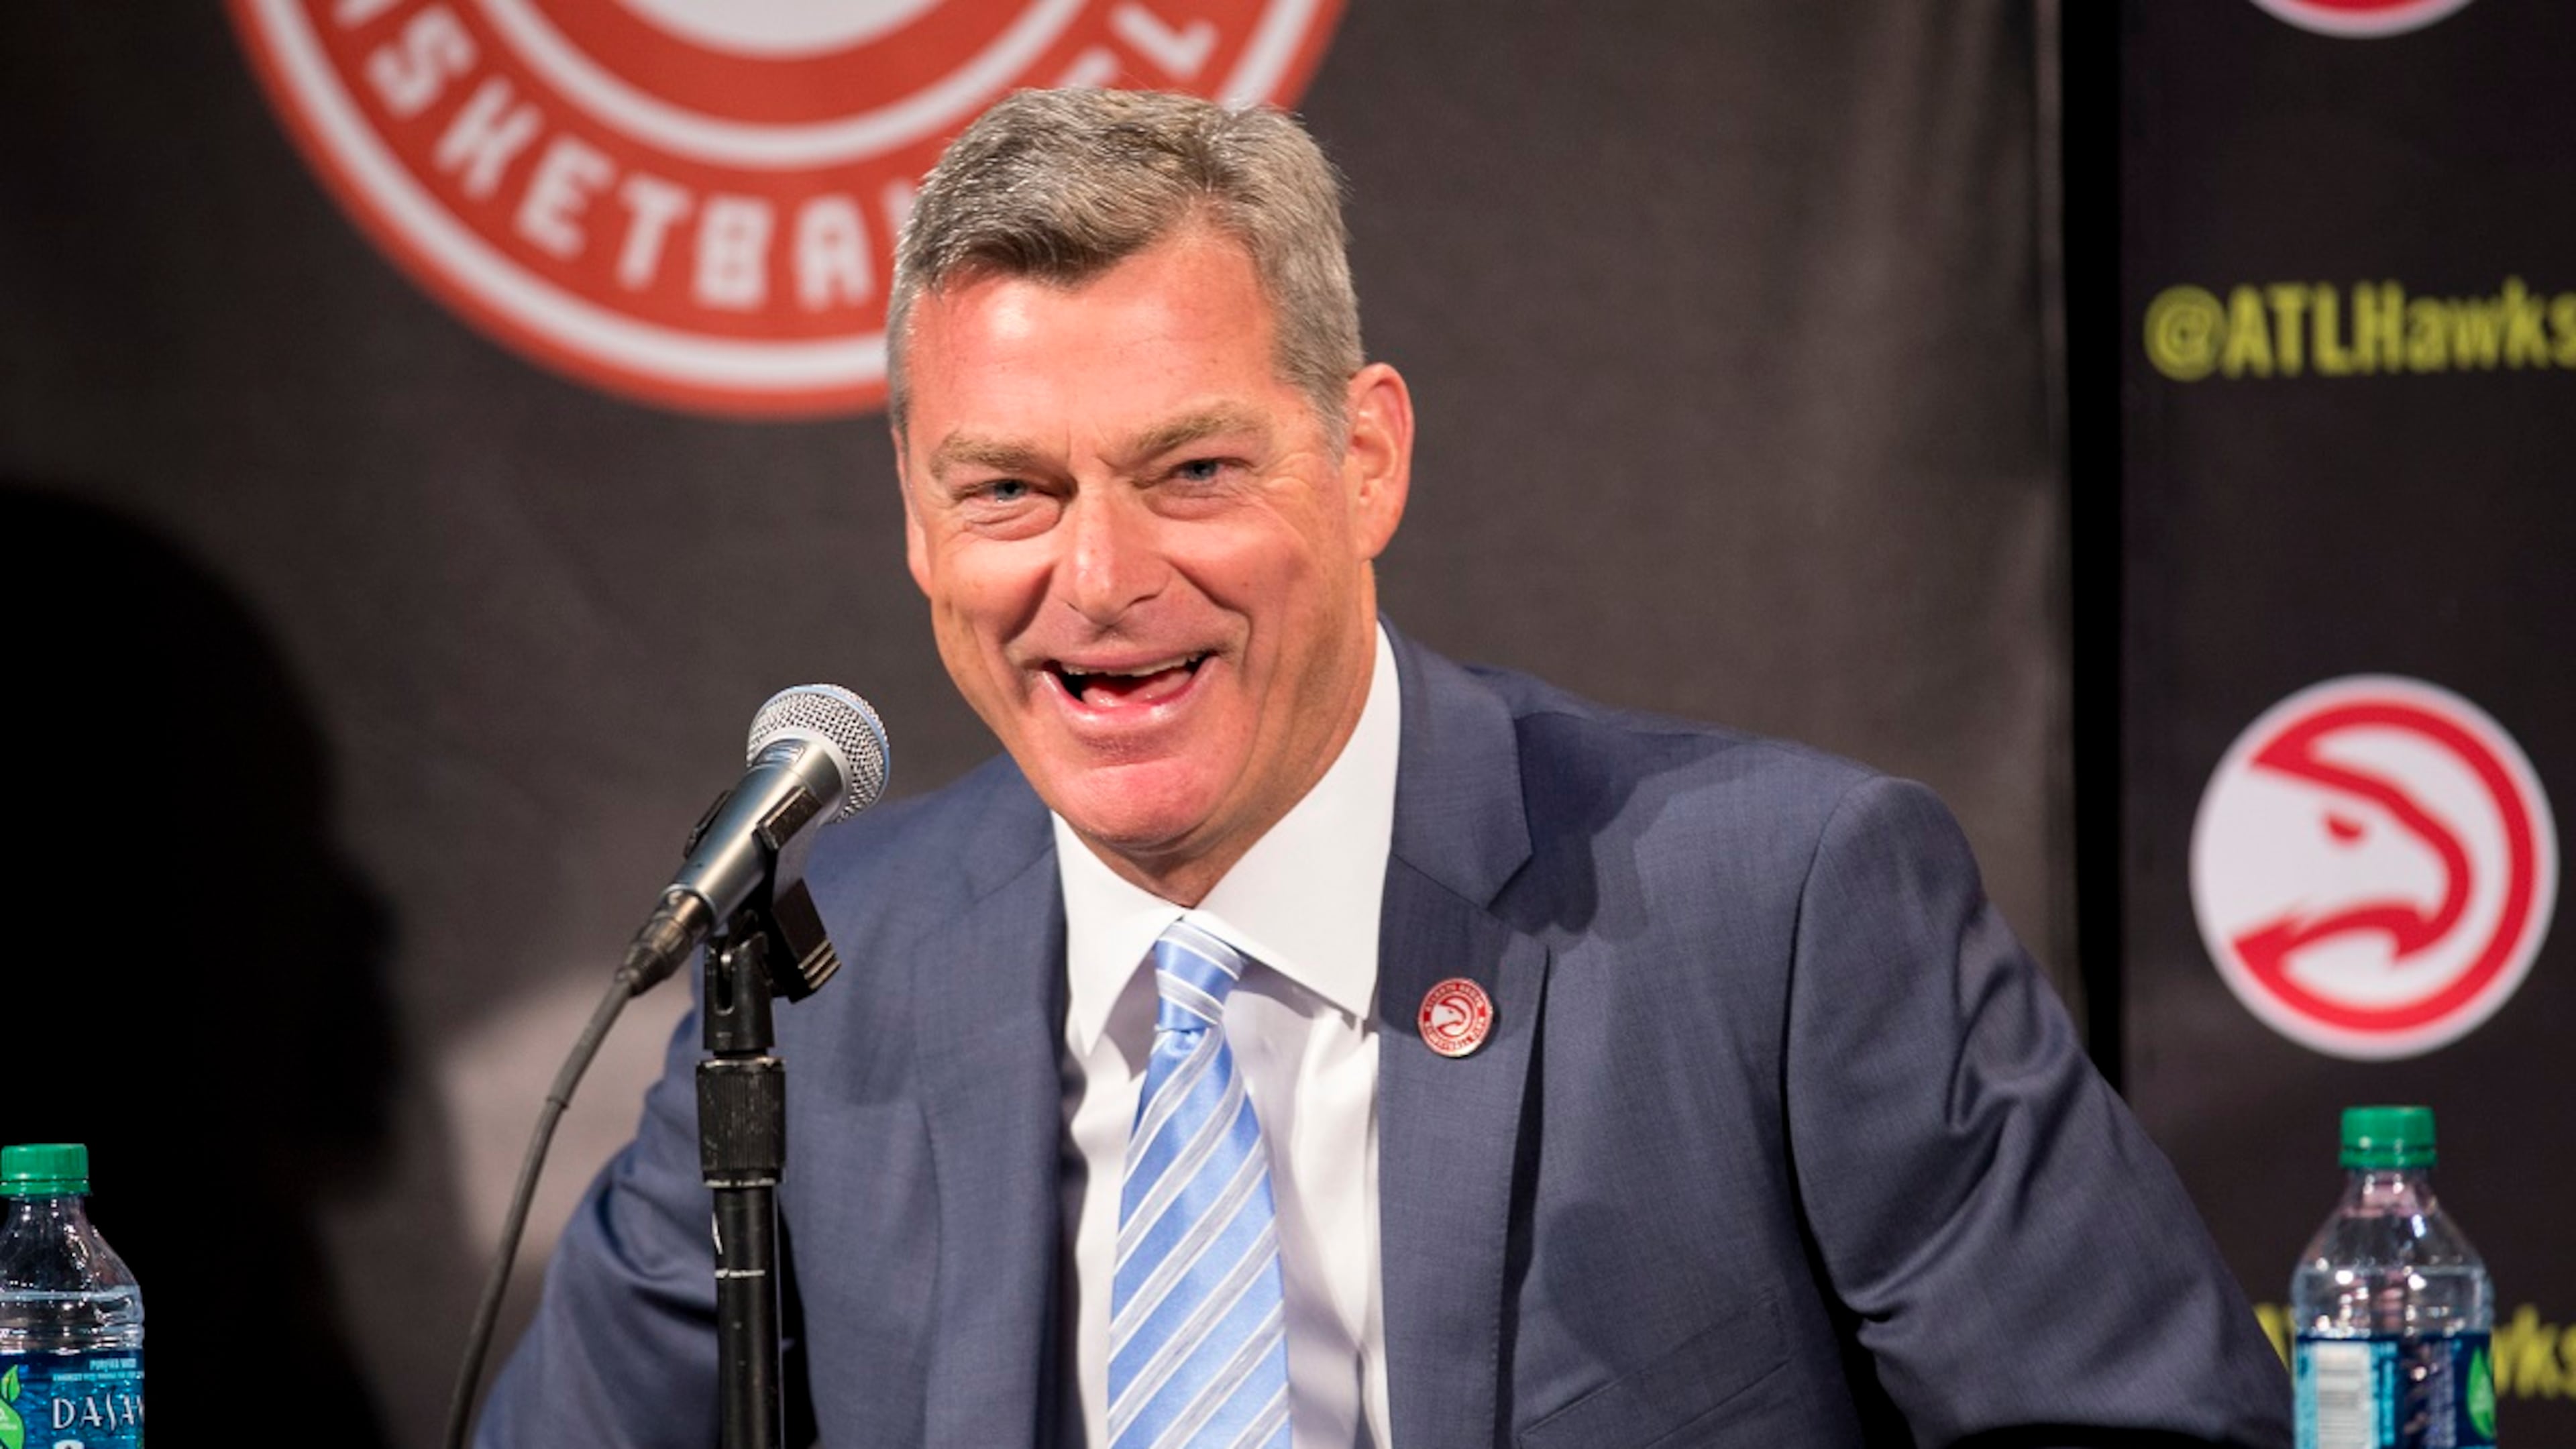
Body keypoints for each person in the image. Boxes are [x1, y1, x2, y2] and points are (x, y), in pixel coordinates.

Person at [478, 89, 2290, 1448]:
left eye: (1193, 472)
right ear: (915, 519)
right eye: (1009, 490)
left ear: (1366, 461)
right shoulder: (822, 976)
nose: (1098, 580)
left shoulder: (1786, 909)